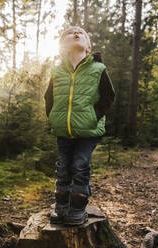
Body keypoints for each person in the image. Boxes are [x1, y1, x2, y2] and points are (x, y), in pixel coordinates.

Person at [44, 26, 115, 225]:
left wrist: (94, 115)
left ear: (88, 47)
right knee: (63, 167)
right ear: (61, 47)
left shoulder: (98, 69)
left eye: (80, 33)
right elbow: (48, 97)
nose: (75, 34)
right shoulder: (57, 71)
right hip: (63, 129)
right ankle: (61, 207)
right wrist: (51, 117)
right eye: (68, 33)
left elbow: (109, 96)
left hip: (88, 129)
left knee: (80, 164)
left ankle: (77, 208)